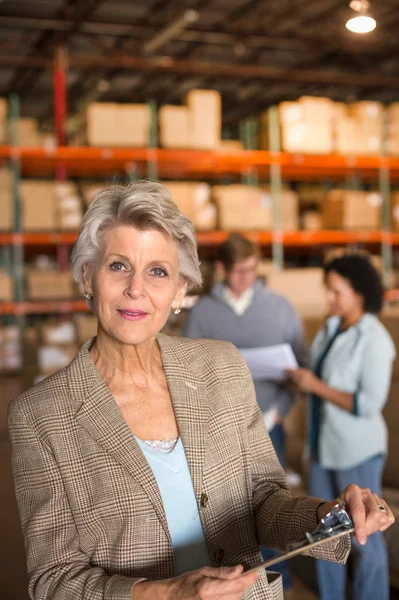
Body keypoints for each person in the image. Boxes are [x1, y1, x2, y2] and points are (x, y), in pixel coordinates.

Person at [8, 182, 394, 600]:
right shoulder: (39, 416)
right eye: (118, 265)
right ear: (88, 276)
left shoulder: (222, 367)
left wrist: (328, 513)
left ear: (178, 291)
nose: (136, 288)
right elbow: (54, 580)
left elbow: (264, 502)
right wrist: (167, 592)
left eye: (158, 271)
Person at [182, 233, 308, 589]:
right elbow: (187, 372)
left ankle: (275, 584)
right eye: (239, 271)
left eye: (253, 270)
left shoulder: (280, 308)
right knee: (228, 511)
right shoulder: (203, 313)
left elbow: (301, 367)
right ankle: (240, 586)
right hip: (220, 431)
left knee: (275, 508)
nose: (247, 278)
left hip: (272, 424)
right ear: (221, 269)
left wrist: (281, 411)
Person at [288, 253, 396, 600]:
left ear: (359, 293)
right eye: (328, 291)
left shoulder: (375, 339)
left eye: (336, 292)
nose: (329, 299)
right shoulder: (331, 327)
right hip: (322, 448)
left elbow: (367, 403)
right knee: (325, 539)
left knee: (364, 537)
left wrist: (314, 385)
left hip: (357, 451)